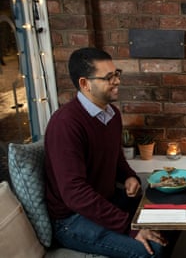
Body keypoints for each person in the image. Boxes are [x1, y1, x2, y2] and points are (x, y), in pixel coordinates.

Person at [44, 47, 178, 257]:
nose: (116, 81)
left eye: (117, 74)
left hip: (106, 201)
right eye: (108, 77)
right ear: (84, 83)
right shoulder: (65, 124)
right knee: (154, 249)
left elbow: (115, 157)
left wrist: (129, 176)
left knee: (171, 217)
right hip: (72, 219)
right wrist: (130, 228)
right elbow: (75, 193)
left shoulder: (111, 114)